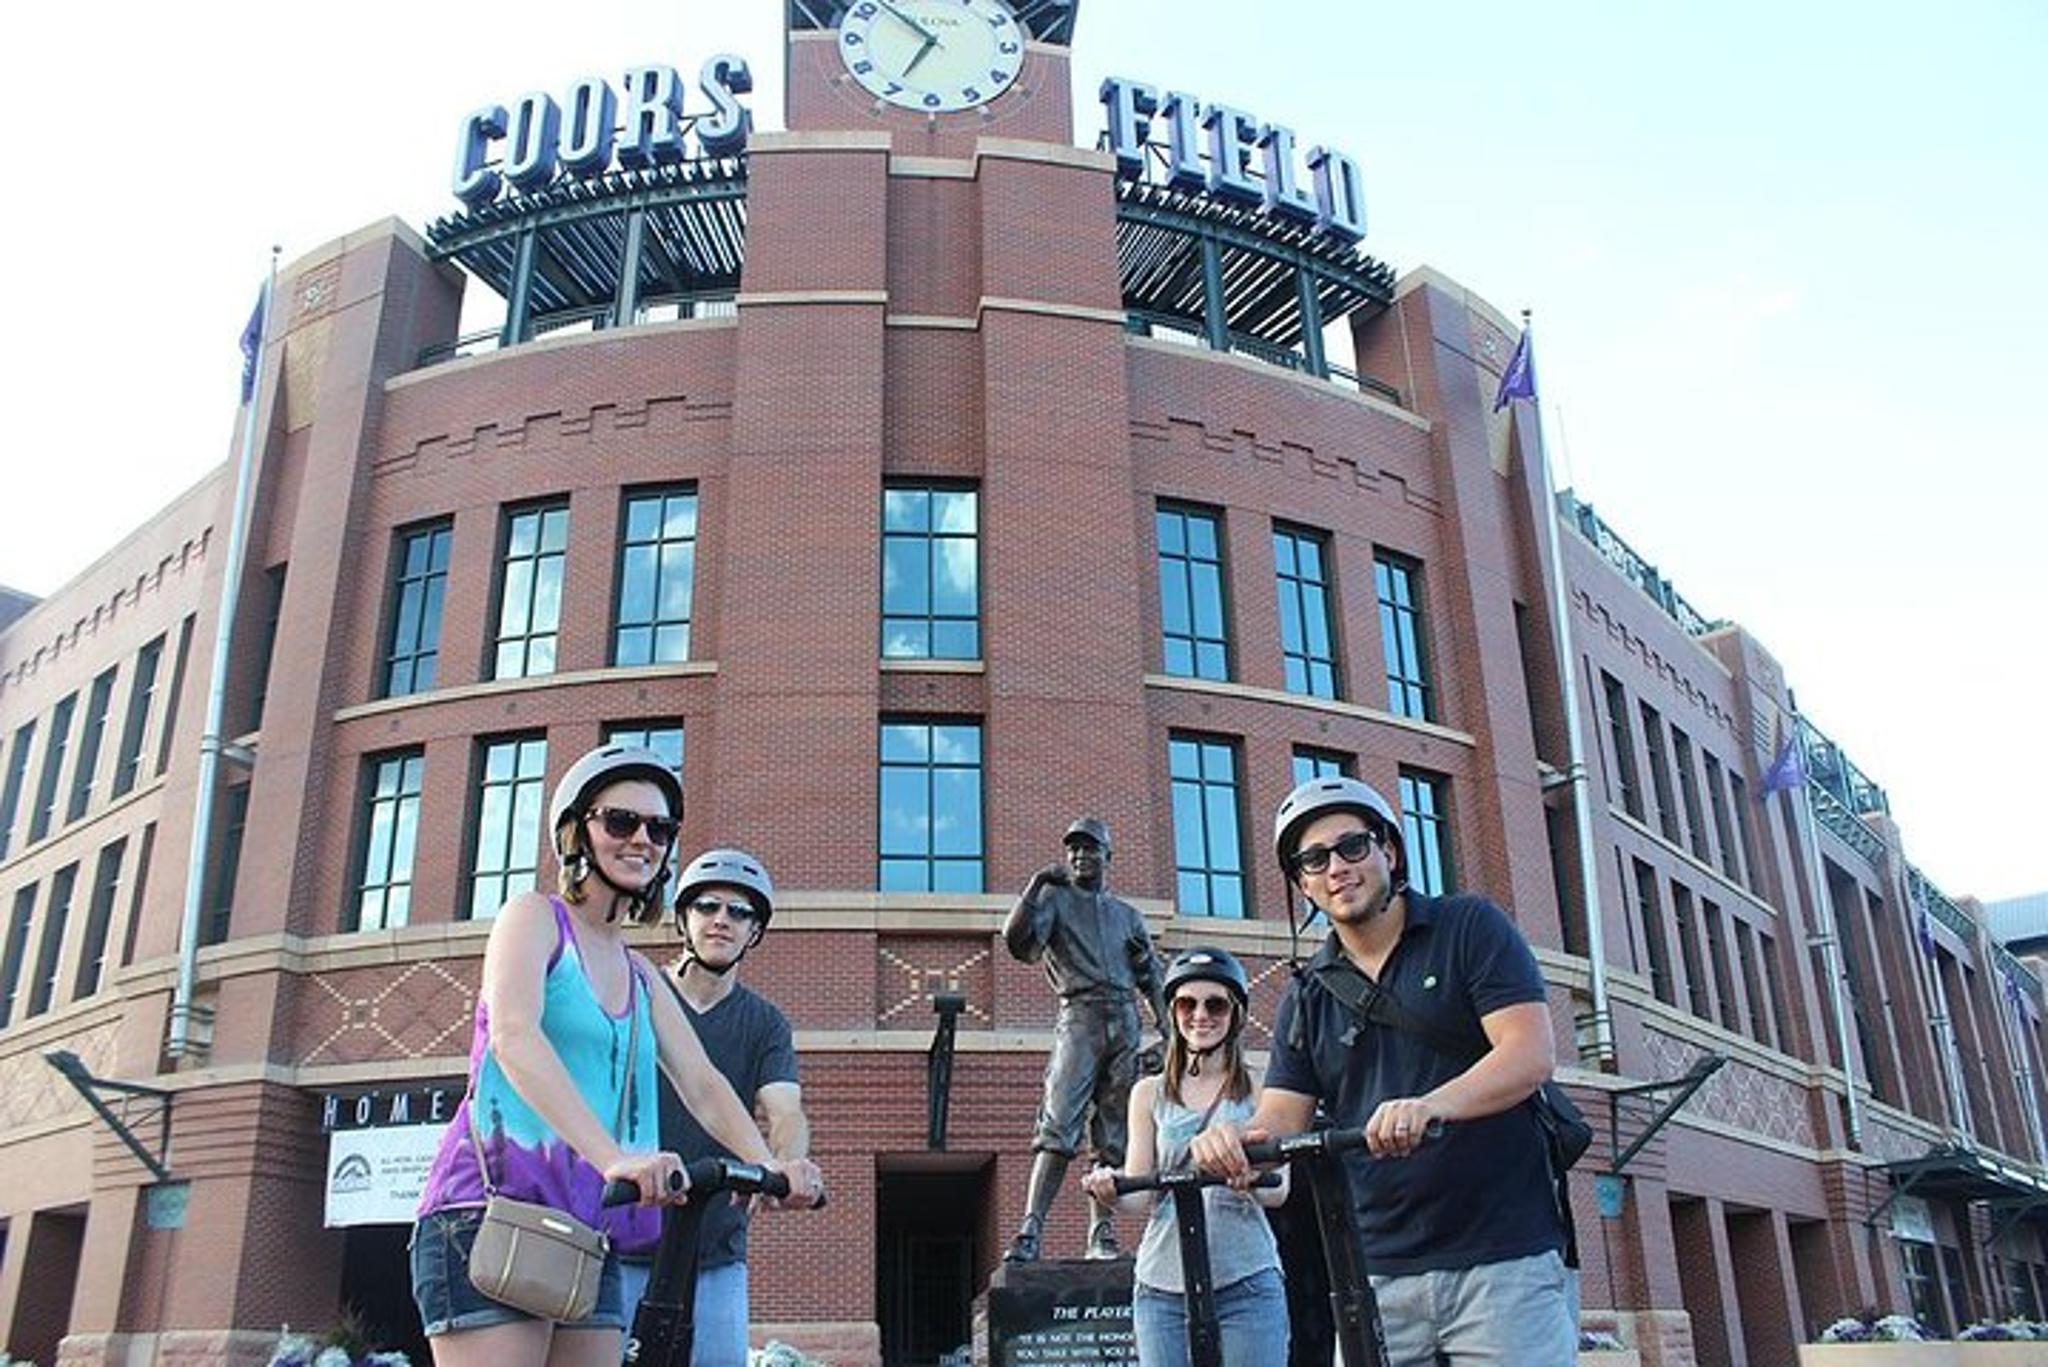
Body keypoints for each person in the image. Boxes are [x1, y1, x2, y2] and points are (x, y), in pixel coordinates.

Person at [409, 744, 808, 1367]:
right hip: (488, 1213)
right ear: (576, 831)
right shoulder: (533, 919)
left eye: (660, 829)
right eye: (621, 821)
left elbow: (700, 1081)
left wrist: (774, 1167)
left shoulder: (642, 976)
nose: (643, 839)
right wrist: (615, 1157)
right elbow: (515, 1035)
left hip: (588, 1232)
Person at [1189, 776, 1574, 1366]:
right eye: (1313, 860)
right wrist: (1230, 1142)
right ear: (1302, 884)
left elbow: (1528, 1054)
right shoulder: (1308, 993)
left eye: (1351, 846)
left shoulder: (1468, 927)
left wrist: (1429, 1105)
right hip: (1376, 1271)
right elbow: (1280, 1123)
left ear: (1388, 851)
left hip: (1502, 1259)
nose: (1336, 868)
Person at [618, 847, 824, 1366]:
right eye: (708, 906)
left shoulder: (764, 1022)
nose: (722, 920)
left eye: (739, 912)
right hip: (621, 1237)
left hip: (715, 1249)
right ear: (684, 918)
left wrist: (785, 1166)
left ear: (754, 931)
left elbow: (785, 1113)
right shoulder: (636, 992)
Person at [1081, 947, 1288, 1367]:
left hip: (1245, 1277)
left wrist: (1250, 1177)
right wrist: (1109, 1191)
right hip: (1163, 1285)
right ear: (1173, 1012)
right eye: (1187, 1004)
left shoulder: (1263, 1088)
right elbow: (1141, 1196)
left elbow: (1279, 1189)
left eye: (1216, 1005)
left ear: (1236, 1015)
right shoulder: (1149, 1093)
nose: (1201, 1015)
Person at [1001, 816, 1168, 1262]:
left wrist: (1170, 1034)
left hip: (1124, 1021)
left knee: (1112, 1133)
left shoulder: (1127, 916)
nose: (1079, 855)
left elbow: (1151, 976)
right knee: (1058, 1124)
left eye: (1089, 848)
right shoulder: (1054, 898)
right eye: (1073, 848)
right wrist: (1034, 886)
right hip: (1079, 1017)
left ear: (1107, 857)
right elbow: (1017, 943)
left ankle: (1102, 1233)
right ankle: (1030, 1230)